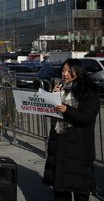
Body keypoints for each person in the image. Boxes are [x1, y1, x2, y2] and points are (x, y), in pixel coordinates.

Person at [43, 58, 100, 201]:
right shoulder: (60, 87)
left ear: (78, 71)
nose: (65, 74)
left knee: (80, 189)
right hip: (59, 144)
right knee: (60, 189)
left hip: (78, 147)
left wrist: (67, 110)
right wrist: (52, 96)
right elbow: (48, 112)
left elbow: (87, 117)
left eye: (69, 71)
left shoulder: (88, 90)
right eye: (63, 70)